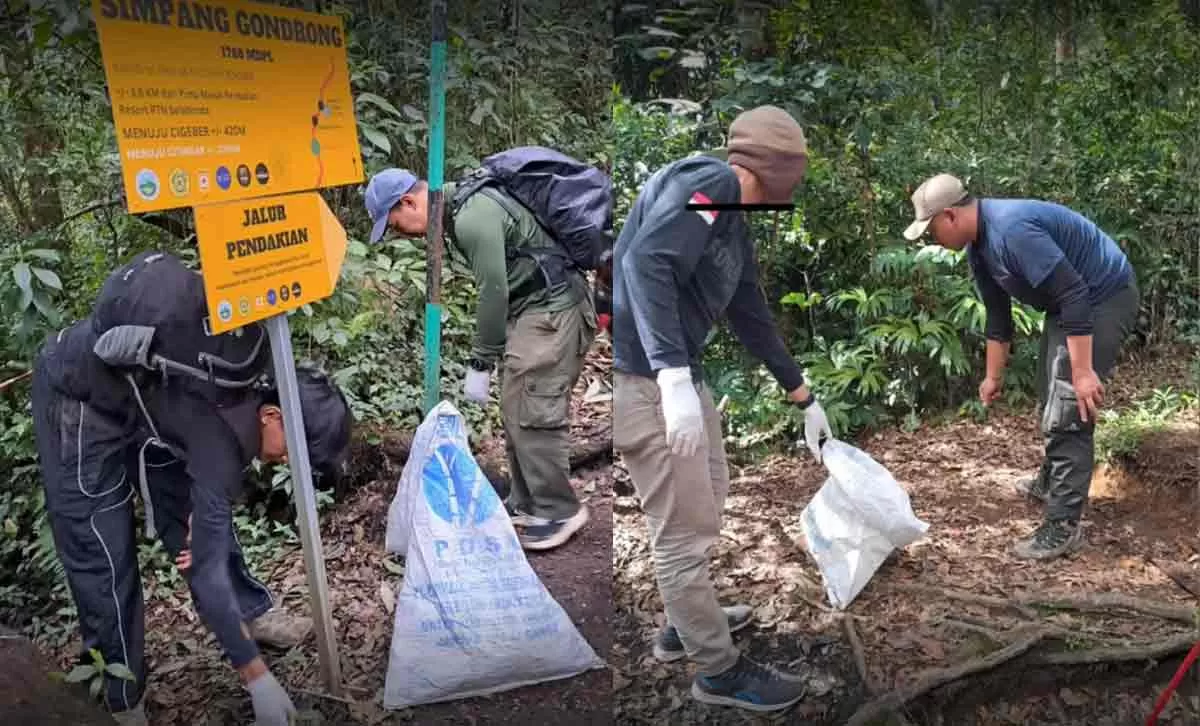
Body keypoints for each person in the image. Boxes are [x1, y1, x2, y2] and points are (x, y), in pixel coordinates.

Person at [31, 251, 354, 725]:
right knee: (99, 544)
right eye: (291, 449)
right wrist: (257, 678)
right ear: (272, 415)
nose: (284, 461)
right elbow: (205, 568)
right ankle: (121, 698)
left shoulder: (252, 365)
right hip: (80, 398)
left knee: (200, 522)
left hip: (155, 406)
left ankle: (249, 613)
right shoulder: (221, 442)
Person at [611, 105, 834, 713]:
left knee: (708, 493)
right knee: (681, 533)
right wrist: (672, 379)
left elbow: (749, 309)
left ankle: (687, 621)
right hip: (651, 384)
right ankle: (718, 672)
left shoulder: (729, 215)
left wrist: (802, 394)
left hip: (682, 379)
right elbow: (644, 262)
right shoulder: (708, 187)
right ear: (775, 173)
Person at [903, 173, 1139, 560]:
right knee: (1050, 395)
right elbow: (998, 317)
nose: (933, 240)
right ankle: (1052, 481)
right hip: (1070, 305)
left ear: (950, 216)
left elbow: (1076, 291)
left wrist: (1081, 372)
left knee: (1068, 408)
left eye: (931, 231)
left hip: (1102, 296)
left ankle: (1063, 526)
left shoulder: (1012, 231)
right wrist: (992, 376)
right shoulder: (979, 249)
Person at [363, 164, 597, 551]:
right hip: (534, 309)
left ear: (408, 201)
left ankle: (559, 510)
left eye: (394, 223)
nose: (397, 233)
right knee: (515, 404)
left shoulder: (471, 217)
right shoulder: (458, 211)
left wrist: (481, 361)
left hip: (555, 308)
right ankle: (528, 503)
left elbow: (494, 291)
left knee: (533, 407)